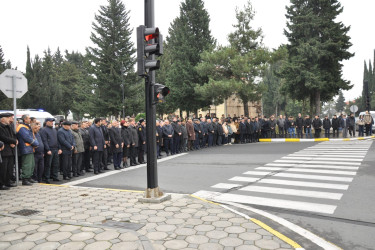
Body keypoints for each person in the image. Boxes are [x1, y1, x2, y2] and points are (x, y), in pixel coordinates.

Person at [17, 114, 39, 185]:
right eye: (29, 118)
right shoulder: (22, 127)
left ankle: (29, 177)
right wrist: (35, 143)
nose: (30, 119)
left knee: (31, 164)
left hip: (29, 148)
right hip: (25, 148)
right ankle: (25, 179)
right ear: (25, 120)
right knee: (27, 164)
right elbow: (26, 137)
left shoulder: (27, 127)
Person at [41, 118, 61, 183]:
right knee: (48, 164)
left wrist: (59, 148)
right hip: (50, 149)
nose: (52, 123)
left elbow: (57, 140)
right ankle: (47, 177)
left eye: (52, 121)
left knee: (56, 164)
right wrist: (48, 149)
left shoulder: (54, 130)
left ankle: (55, 176)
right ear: (46, 122)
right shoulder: (44, 130)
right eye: (50, 121)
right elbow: (45, 141)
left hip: (55, 149)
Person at [0, 113, 17, 190]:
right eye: (7, 117)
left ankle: (8, 181)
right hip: (4, 150)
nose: (9, 119)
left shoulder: (9, 126)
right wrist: (13, 141)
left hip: (10, 150)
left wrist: (14, 142)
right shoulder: (1, 127)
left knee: (9, 168)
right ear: (2, 119)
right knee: (3, 168)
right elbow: (3, 137)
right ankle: (1, 183)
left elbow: (13, 135)